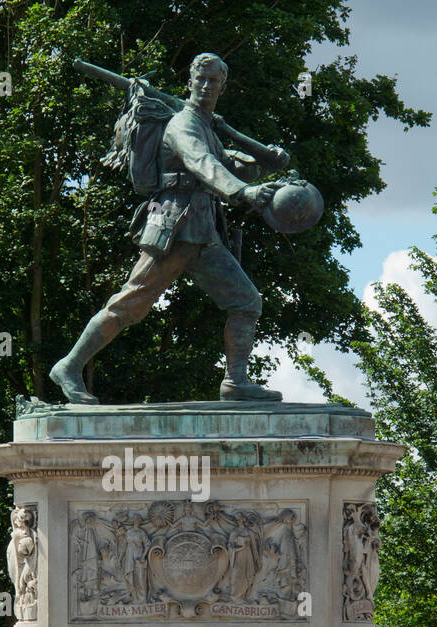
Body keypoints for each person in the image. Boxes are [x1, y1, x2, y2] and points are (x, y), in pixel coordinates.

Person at [50, 53, 290, 404]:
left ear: (223, 86)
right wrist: (244, 192)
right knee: (130, 304)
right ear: (190, 82)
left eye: (214, 81)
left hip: (203, 232)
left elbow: (229, 165)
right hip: (173, 227)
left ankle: (236, 381)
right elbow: (203, 164)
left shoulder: (209, 126)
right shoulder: (183, 124)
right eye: (201, 79)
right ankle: (69, 366)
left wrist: (265, 162)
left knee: (246, 301)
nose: (206, 86)